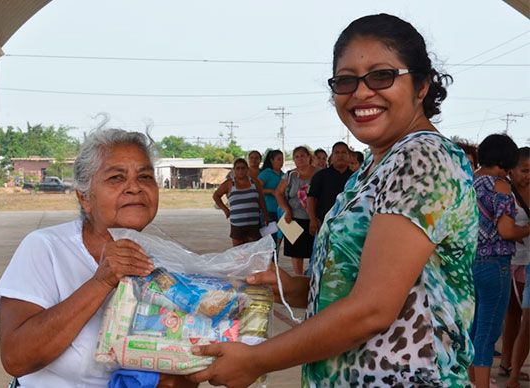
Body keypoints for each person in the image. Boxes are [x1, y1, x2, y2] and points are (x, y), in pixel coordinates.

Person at [188, 13, 479, 387]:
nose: (360, 93)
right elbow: (368, 283)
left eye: (381, 76)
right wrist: (291, 288)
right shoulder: (372, 167)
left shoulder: (421, 157)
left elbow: (372, 308)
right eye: (345, 81)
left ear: (421, 85)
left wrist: (256, 360)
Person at [0, 129, 196, 388]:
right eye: (116, 178)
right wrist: (101, 281)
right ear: (84, 197)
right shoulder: (46, 247)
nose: (135, 188)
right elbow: (16, 358)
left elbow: (183, 372)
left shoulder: (167, 265)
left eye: (145, 176)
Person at [470, 134, 530, 388]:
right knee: (488, 331)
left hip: (470, 264)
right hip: (496, 264)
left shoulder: (469, 181)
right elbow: (506, 231)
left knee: (473, 330)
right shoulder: (500, 186)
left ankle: (471, 380)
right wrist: (527, 229)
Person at [501, 147, 530, 384]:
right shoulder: (504, 191)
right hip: (508, 261)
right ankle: (506, 362)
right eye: (525, 170)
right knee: (511, 314)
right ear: (512, 170)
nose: (528, 176)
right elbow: (503, 229)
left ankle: (511, 364)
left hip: (526, 261)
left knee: (521, 315)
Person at [275, 146, 318, 275]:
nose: (299, 159)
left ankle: (311, 277)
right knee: (296, 253)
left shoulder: (319, 173)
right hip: (294, 218)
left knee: (314, 250)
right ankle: (299, 278)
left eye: (302, 155)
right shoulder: (289, 175)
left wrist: (314, 218)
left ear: (309, 157)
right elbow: (278, 193)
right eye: (296, 156)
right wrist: (287, 210)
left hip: (315, 219)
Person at [213, 158, 268, 247]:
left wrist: (266, 216)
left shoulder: (255, 182)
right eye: (238, 168)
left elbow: (261, 200)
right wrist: (225, 209)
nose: (241, 171)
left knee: (252, 252)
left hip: (253, 224)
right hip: (237, 225)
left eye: (243, 168)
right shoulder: (229, 184)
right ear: (234, 170)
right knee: (238, 254)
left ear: (247, 169)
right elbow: (216, 195)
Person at [306, 141, 353, 236]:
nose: (340, 155)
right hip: (324, 224)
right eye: (337, 152)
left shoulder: (356, 177)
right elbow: (311, 198)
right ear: (332, 156)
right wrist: (313, 220)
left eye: (344, 152)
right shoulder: (320, 175)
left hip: (349, 225)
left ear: (349, 156)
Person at [258, 150, 285, 243]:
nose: (281, 162)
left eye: (282, 159)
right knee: (269, 241)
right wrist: (269, 191)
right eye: (278, 159)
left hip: (280, 212)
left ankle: (275, 257)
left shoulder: (284, 175)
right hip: (268, 212)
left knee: (278, 240)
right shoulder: (266, 173)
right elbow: (256, 188)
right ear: (272, 160)